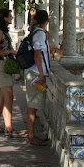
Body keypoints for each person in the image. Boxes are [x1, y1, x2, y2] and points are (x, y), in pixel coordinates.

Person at [0, 8, 24, 137]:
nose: (12, 18)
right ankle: (9, 129)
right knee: (8, 97)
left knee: (3, 98)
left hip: (5, 66)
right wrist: (10, 51)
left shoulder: (3, 31)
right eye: (9, 16)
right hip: (2, 65)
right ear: (4, 18)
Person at [24, 9, 53, 146]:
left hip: (34, 72)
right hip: (36, 74)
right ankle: (31, 135)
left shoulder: (36, 32)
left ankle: (31, 134)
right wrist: (41, 74)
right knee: (32, 106)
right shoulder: (40, 34)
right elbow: (37, 54)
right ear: (47, 21)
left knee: (34, 106)